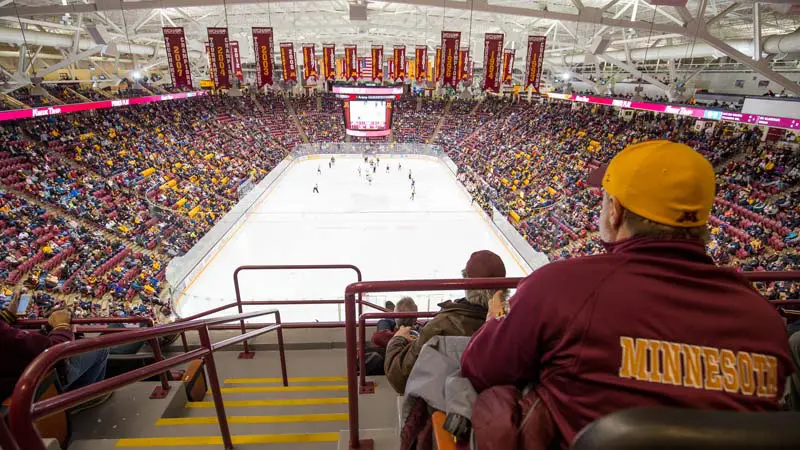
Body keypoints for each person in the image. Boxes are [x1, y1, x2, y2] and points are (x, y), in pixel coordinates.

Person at [460, 140, 792, 446]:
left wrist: (494, 320)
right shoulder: (765, 322)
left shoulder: (560, 287)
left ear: (615, 211)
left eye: (604, 199)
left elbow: (480, 368)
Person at [385, 250, 507, 394]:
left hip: (443, 403)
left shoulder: (442, 325)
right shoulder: (508, 327)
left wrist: (397, 340)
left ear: (467, 283)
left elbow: (400, 377)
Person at [0, 296, 110, 405]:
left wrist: (7, 316)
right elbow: (54, 352)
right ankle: (82, 400)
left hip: (15, 380)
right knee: (101, 348)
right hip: (30, 388)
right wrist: (62, 326)